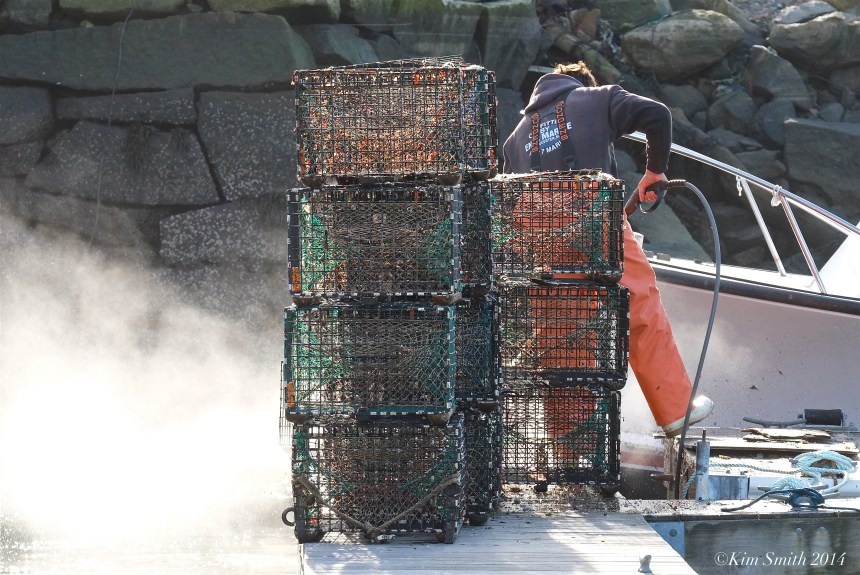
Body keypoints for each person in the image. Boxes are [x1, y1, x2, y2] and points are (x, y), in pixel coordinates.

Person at [502, 61, 713, 437]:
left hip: (537, 235)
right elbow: (657, 114)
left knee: (562, 340)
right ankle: (675, 409)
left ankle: (570, 448)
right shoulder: (597, 97)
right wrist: (655, 171)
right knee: (638, 303)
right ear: (580, 85)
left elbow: (506, 204)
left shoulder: (516, 138)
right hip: (593, 212)